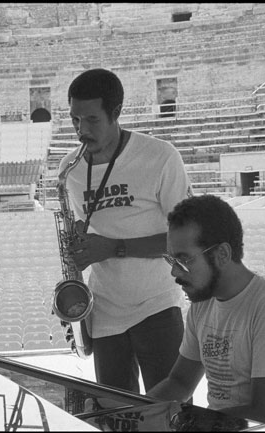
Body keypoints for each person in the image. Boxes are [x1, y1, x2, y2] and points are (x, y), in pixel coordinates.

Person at [61, 68, 193, 393]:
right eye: (75, 120)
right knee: (116, 417)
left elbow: (187, 239)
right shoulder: (71, 169)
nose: (81, 131)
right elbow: (88, 233)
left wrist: (114, 247)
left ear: (116, 113)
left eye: (92, 120)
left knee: (169, 416)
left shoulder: (160, 157)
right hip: (104, 311)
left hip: (158, 305)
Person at [147, 195, 265, 423]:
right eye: (171, 260)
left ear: (222, 254)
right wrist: (131, 411)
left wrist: (187, 424)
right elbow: (180, 383)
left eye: (184, 261)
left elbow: (264, 413)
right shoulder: (202, 304)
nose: (174, 273)